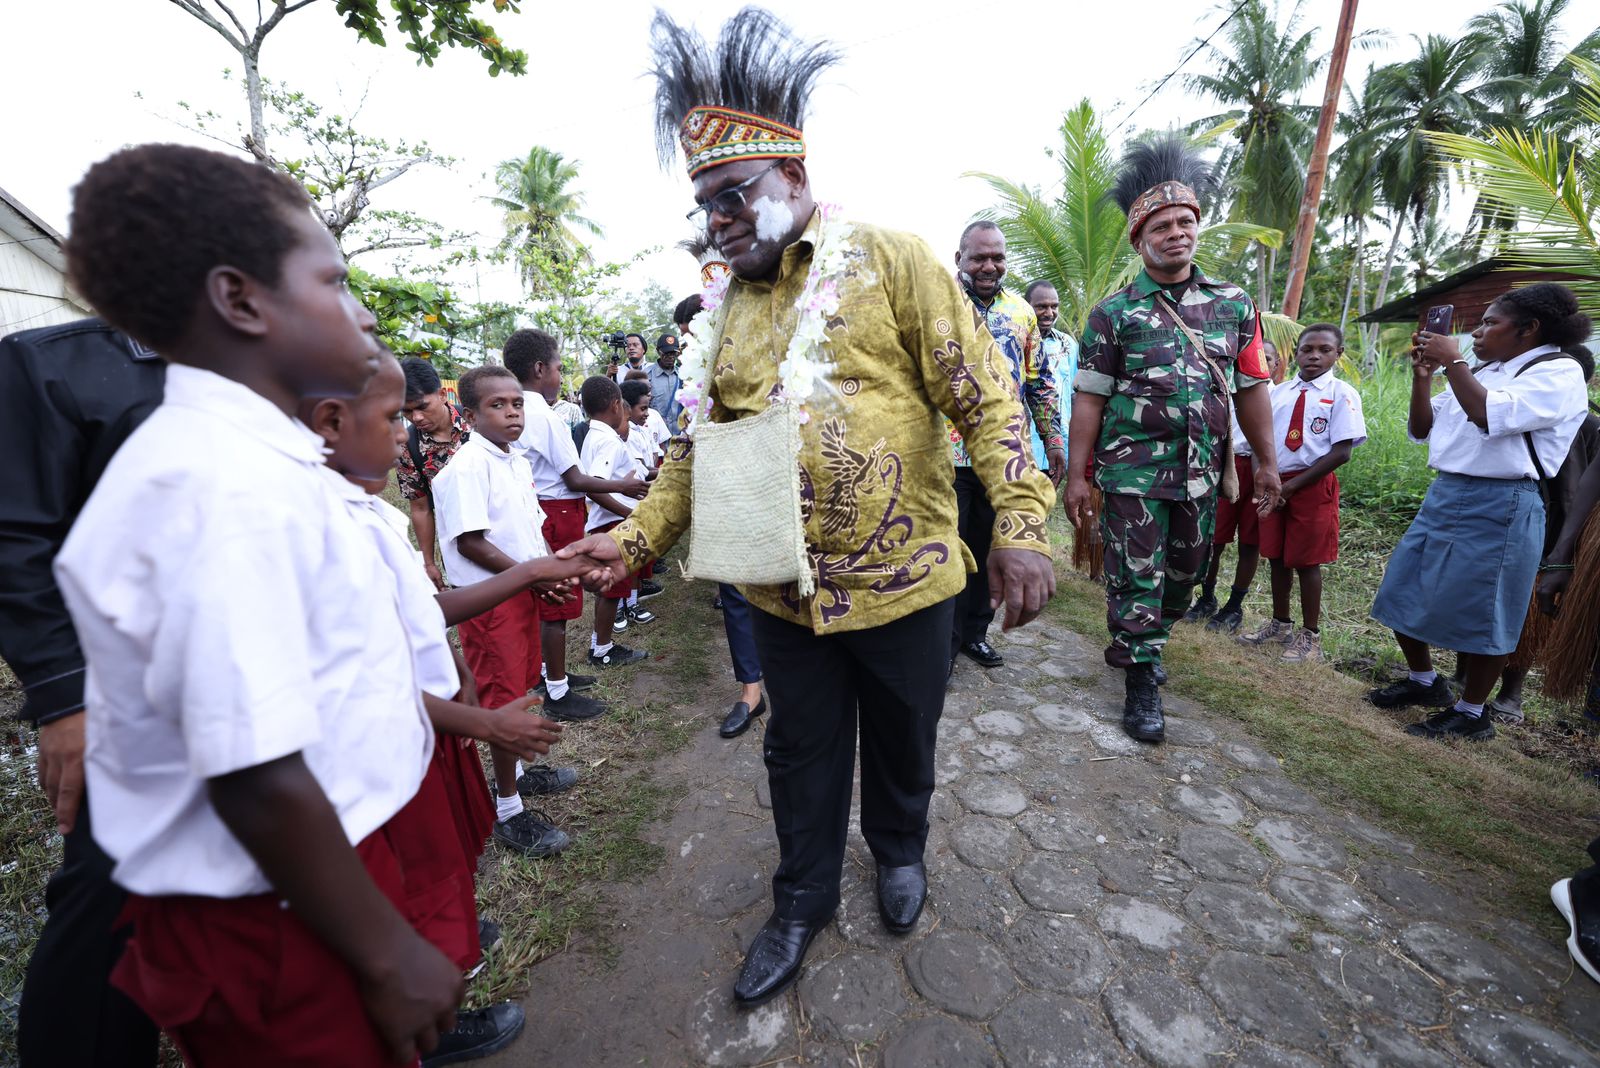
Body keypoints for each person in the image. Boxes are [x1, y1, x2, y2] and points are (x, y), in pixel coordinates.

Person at [560, 8, 1054, 1008]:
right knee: (798, 751)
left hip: (909, 582)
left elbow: (985, 395)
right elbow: (697, 452)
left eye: (731, 194)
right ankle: (800, 901)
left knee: (905, 736)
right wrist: (636, 536)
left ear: (792, 174)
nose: (718, 218)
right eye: (704, 204)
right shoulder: (725, 309)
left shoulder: (892, 258)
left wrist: (1020, 525)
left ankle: (900, 849)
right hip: (783, 596)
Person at [52, 142, 465, 1066]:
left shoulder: (262, 465)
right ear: (241, 301)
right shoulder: (215, 487)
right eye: (334, 279)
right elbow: (253, 770)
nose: (362, 311)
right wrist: (386, 949)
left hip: (318, 872)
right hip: (276, 914)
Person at [302, 353, 599, 1063]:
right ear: (330, 424)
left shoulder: (374, 507)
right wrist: (480, 714)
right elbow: (363, 669)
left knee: (442, 850)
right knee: (409, 867)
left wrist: (534, 574)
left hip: (433, 705)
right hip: (395, 733)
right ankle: (433, 1005)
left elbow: (421, 613)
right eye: (395, 419)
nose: (407, 439)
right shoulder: (442, 478)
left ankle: (456, 930)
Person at [1064, 133, 1282, 745]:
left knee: (1185, 574)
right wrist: (1077, 474)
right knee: (1137, 573)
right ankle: (1141, 674)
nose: (1177, 233)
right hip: (1131, 469)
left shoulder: (1233, 304)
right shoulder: (1115, 313)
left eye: (1186, 221)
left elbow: (1251, 387)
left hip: (1203, 471)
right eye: (1161, 226)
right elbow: (1090, 396)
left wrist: (1266, 462)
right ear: (1140, 238)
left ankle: (1148, 638)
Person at [0, 319, 164, 1068]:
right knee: (114, 897)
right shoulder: (48, 368)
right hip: (123, 695)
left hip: (243, 676)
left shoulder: (247, 367)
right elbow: (16, 539)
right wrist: (64, 700)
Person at [1367, 282, 1591, 740]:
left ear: (1529, 328)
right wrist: (1424, 376)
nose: (1479, 333)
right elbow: (1423, 426)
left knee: (1491, 611)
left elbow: (1488, 416)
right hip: (1448, 492)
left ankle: (1472, 713)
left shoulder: (1558, 372)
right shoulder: (1488, 370)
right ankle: (1425, 682)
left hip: (1503, 502)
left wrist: (1453, 360)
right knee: (1401, 588)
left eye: (1491, 322)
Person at [431, 364, 576, 855]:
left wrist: (538, 578)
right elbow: (472, 543)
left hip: (517, 591)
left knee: (518, 684)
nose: (512, 412)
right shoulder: (466, 468)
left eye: (517, 403)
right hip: (489, 603)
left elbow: (522, 529)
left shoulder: (512, 460)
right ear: (468, 415)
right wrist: (531, 576)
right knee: (499, 696)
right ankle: (508, 808)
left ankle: (513, 773)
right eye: (498, 405)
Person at [503, 328, 651, 719]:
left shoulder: (516, 411)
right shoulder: (542, 416)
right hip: (557, 511)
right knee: (558, 603)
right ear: (539, 369)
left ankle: (548, 674)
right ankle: (556, 691)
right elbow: (576, 478)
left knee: (546, 601)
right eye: (557, 368)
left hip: (537, 509)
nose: (558, 376)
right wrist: (625, 485)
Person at [948, 221, 1065, 672]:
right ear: (959, 258)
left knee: (986, 548)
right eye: (979, 257)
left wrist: (1052, 439)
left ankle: (974, 635)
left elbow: (1039, 383)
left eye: (997, 257)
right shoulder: (939, 303)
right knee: (947, 552)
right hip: (946, 456)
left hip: (1004, 457)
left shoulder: (1022, 312)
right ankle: (942, 643)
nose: (989, 265)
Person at [1472, 344, 1599, 723]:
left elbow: (1582, 486)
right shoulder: (1514, 404)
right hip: (1507, 513)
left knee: (1529, 616)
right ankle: (1465, 678)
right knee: (1485, 601)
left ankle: (1511, 692)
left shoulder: (1589, 425)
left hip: (1556, 527)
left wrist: (1568, 546)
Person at [1236, 325, 1366, 663]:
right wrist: (1263, 483)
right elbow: (1256, 444)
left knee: (1306, 560)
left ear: (1339, 354)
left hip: (1310, 485)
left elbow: (1341, 452)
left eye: (1325, 350)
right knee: (1276, 555)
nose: (1314, 355)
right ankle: (1280, 624)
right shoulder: (1277, 393)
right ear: (1296, 353)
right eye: (1307, 349)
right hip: (1274, 482)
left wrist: (1291, 488)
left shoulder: (1342, 393)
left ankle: (1310, 636)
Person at [1183, 340, 1283, 632]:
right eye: (1256, 358)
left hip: (1258, 469)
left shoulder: (1278, 397)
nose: (1261, 362)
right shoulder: (1227, 391)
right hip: (1227, 465)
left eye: (1268, 358)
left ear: (1275, 365)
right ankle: (1207, 596)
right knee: (1215, 537)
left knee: (1249, 542)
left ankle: (1234, 604)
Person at [578, 375, 650, 668]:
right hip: (611, 523)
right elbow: (595, 485)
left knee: (612, 589)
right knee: (611, 592)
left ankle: (601, 643)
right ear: (616, 405)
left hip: (610, 521)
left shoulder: (595, 435)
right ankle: (602, 649)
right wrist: (629, 513)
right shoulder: (608, 441)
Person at [398, 356, 472, 590]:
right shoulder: (408, 445)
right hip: (460, 548)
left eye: (422, 406)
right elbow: (420, 507)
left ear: (442, 395)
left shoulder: (478, 422)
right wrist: (429, 563)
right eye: (407, 411)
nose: (416, 417)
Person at [647, 332, 685, 430]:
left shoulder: (683, 375)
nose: (671, 356)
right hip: (657, 435)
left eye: (673, 353)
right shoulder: (647, 376)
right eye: (667, 353)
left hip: (680, 436)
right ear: (658, 352)